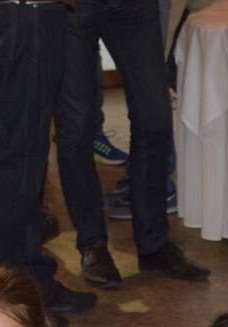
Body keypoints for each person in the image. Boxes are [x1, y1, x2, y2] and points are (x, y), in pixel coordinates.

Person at [54, 0, 210, 289]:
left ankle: (153, 244)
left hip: (134, 7)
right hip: (74, 9)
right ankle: (92, 245)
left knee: (155, 119)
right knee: (77, 129)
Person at [0, 0, 99, 316]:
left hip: (21, 14)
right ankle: (1, 298)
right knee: (12, 158)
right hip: (18, 14)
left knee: (23, 159)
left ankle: (26, 283)